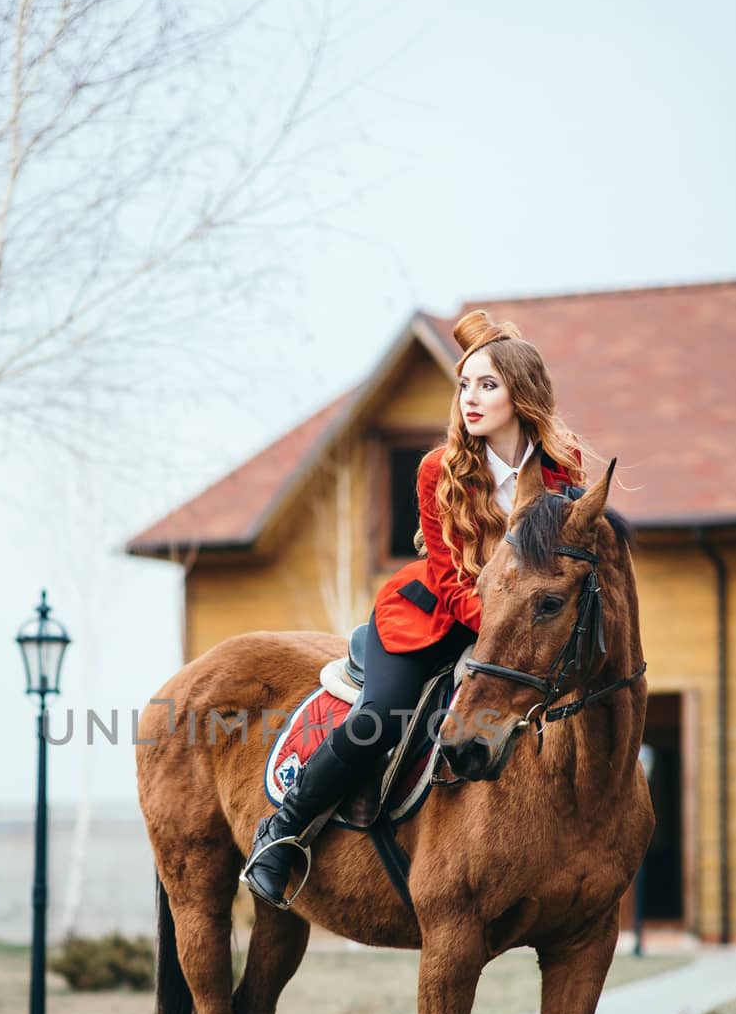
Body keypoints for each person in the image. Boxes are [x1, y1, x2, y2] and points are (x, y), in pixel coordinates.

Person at [241, 308, 591, 909]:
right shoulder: (440, 470)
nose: (470, 399)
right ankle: (283, 834)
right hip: (432, 619)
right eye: (465, 385)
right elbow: (449, 574)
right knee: (382, 714)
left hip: (515, 630)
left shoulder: (564, 469)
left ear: (522, 394)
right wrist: (497, 625)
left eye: (488, 385)